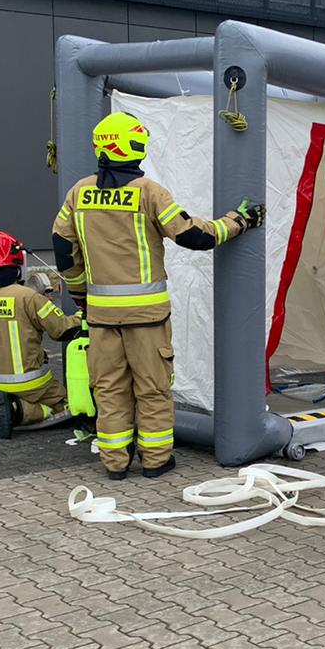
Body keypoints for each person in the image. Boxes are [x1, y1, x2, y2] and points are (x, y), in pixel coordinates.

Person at [51, 112, 264, 479]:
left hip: (101, 317)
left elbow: (62, 250)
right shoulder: (148, 192)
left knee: (109, 389)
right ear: (134, 148)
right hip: (147, 318)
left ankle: (115, 463)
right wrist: (238, 222)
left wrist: (81, 297)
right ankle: (156, 460)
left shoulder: (79, 193)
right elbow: (193, 236)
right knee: (152, 389)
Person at [0, 230, 83, 438]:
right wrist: (83, 315)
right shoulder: (28, 297)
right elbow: (61, 329)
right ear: (15, 262)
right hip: (29, 380)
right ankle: (17, 410)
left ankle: (11, 400)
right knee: (70, 407)